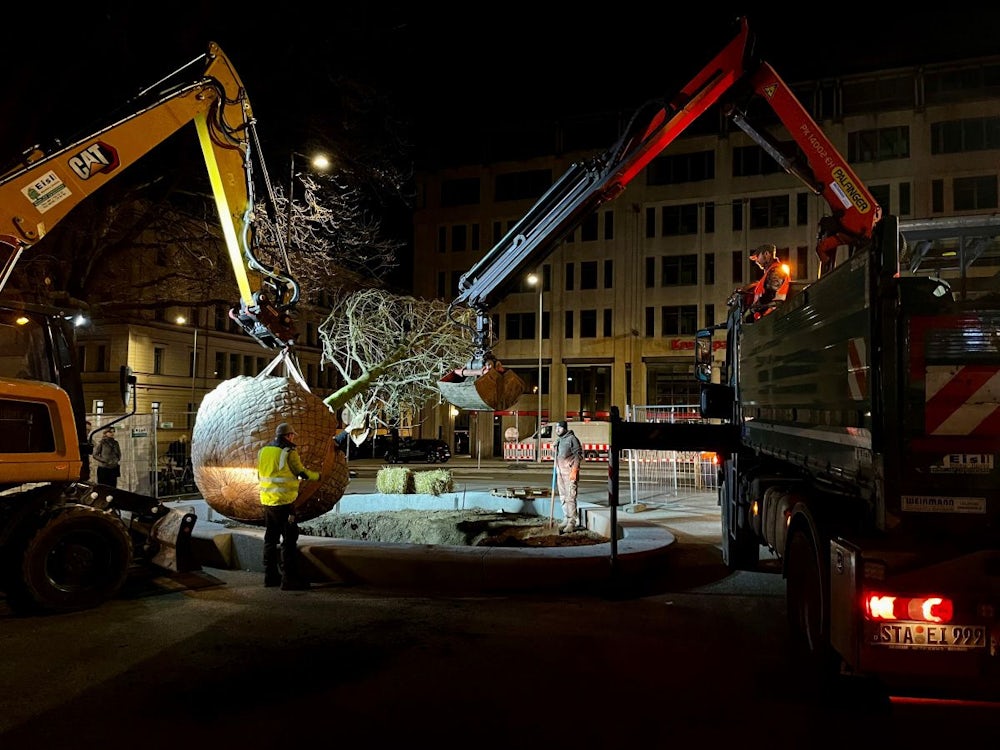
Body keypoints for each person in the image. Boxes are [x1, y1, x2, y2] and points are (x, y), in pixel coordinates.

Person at [258, 422, 320, 590]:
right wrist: (318, 476)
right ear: (288, 436)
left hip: (268, 501)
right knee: (290, 539)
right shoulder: (288, 452)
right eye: (292, 435)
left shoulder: (264, 451)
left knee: (270, 538)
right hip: (285, 503)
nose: (293, 438)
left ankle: (270, 576)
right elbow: (301, 472)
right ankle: (289, 578)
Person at [743, 243, 790, 320]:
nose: (756, 261)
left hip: (772, 316)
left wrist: (752, 310)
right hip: (768, 317)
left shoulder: (776, 270)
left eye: (757, 256)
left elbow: (770, 295)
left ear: (766, 254)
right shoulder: (770, 272)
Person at [553, 420, 584, 534]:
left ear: (565, 428)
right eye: (556, 428)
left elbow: (578, 456)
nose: (557, 430)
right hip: (560, 473)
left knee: (571, 497)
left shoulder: (572, 439)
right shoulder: (559, 440)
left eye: (559, 428)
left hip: (570, 473)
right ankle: (566, 518)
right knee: (563, 497)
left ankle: (572, 522)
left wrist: (574, 471)